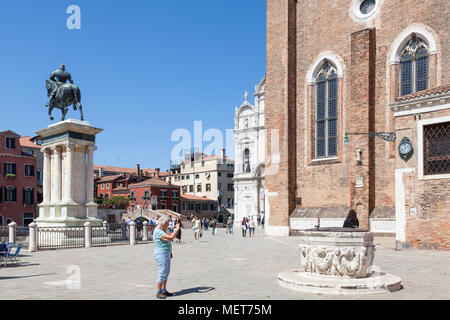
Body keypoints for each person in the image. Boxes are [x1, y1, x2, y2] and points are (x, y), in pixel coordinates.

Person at [153, 214, 180, 299]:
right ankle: (159, 291)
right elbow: (171, 237)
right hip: (161, 253)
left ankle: (164, 289)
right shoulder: (158, 231)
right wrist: (177, 229)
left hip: (166, 252)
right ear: (164, 222)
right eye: (167, 222)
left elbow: (167, 239)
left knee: (166, 272)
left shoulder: (163, 229)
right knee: (162, 272)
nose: (168, 224)